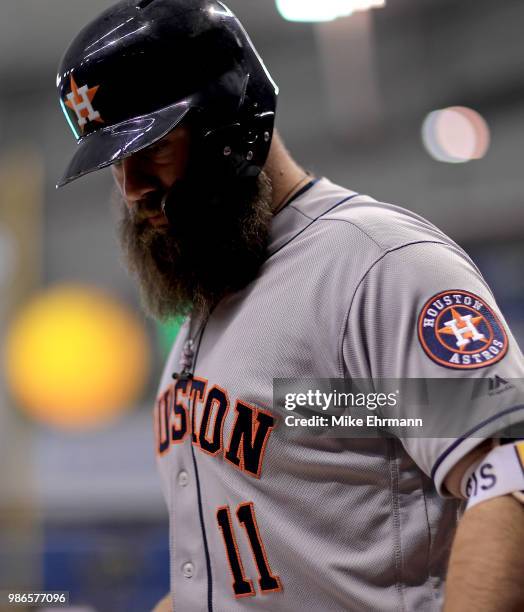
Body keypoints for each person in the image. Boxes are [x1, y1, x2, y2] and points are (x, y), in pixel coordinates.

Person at [56, 1, 524, 611]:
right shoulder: (215, 304)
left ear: (231, 124)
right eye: (119, 161)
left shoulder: (376, 265)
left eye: (154, 149)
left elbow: (508, 477)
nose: (132, 187)